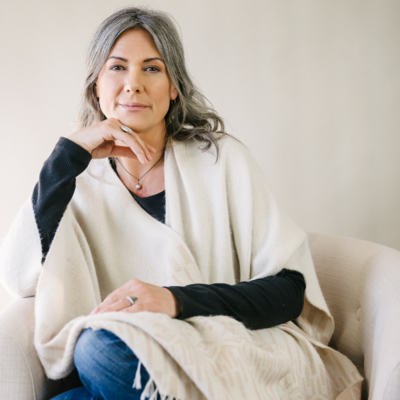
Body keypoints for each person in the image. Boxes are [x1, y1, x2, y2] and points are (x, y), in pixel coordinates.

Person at [0, 6, 362, 400]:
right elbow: (20, 276)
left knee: (94, 352)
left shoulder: (220, 160)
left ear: (174, 87)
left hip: (239, 348)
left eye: (152, 69)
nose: (133, 84)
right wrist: (66, 156)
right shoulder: (78, 184)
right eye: (117, 67)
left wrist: (173, 300)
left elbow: (290, 291)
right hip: (147, 358)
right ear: (96, 87)